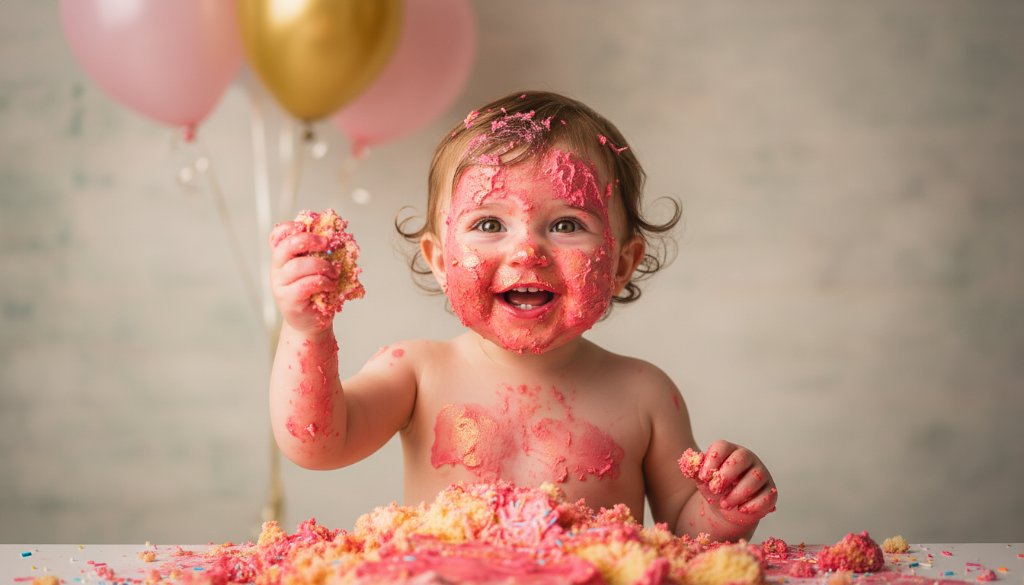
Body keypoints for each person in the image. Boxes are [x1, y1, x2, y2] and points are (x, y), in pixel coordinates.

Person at [267, 90, 777, 541]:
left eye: (567, 224)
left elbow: (686, 537)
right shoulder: (417, 372)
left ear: (621, 265)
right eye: (490, 224)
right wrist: (307, 331)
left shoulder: (645, 394)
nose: (527, 251)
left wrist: (723, 511)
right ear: (440, 260)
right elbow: (317, 444)